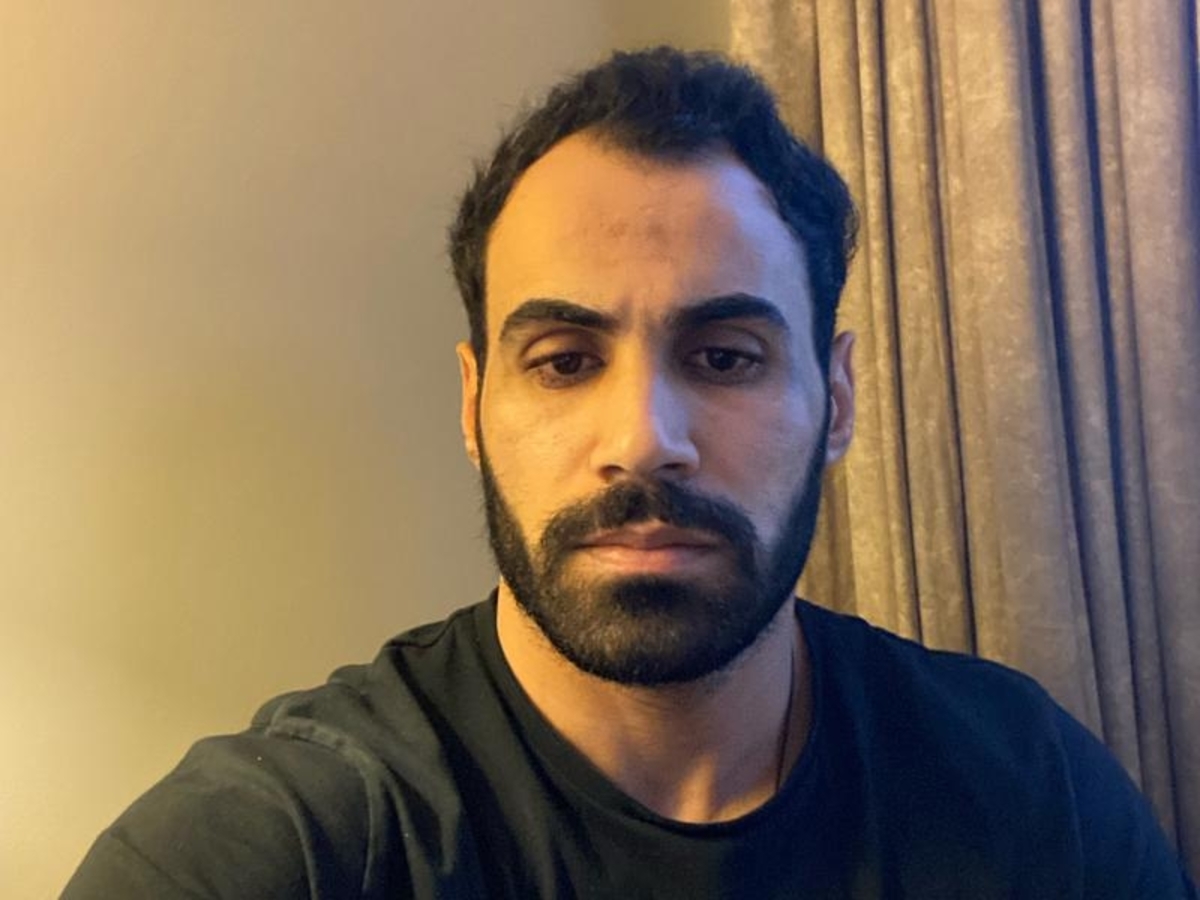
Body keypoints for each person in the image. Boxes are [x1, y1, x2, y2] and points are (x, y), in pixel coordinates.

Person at [63, 47, 1195, 899]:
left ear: (838, 401)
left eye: (724, 358)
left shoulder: (1027, 789)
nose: (645, 439)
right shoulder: (298, 842)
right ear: (473, 404)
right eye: (564, 361)